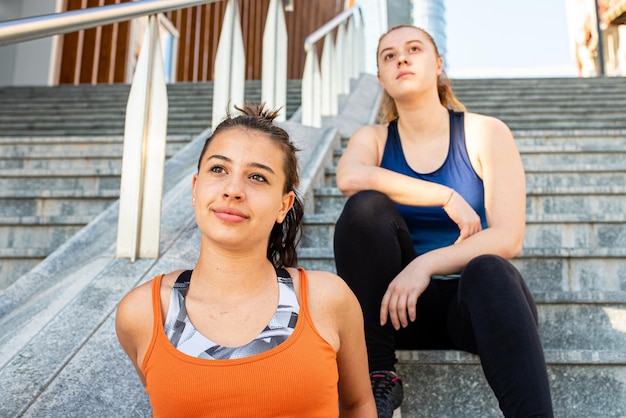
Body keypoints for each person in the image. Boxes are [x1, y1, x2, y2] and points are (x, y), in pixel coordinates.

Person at [333, 25, 554, 418]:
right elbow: (350, 177)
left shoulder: (483, 132)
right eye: (388, 55)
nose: (400, 58)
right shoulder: (374, 137)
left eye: (413, 49)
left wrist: (425, 264)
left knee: (489, 267)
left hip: (476, 309)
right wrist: (444, 195)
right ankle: (378, 376)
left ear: (437, 64)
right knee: (364, 207)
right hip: (395, 311)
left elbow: (508, 237)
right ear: (382, 78)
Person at [116, 104, 376, 418]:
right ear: (196, 189)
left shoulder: (328, 299)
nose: (233, 190)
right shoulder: (143, 312)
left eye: (257, 177)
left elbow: (358, 405)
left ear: (284, 205)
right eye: (218, 169)